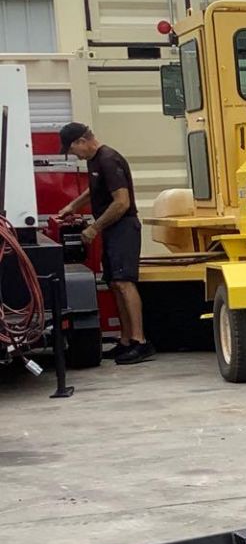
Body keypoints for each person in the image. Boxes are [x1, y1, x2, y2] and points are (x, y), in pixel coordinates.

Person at [54, 124, 153, 364]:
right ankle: (125, 340)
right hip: (111, 230)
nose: (75, 155)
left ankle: (141, 342)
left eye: (72, 149)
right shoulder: (94, 161)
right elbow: (93, 189)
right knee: (113, 283)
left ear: (81, 141)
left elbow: (121, 202)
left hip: (124, 228)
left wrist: (94, 228)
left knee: (124, 282)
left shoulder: (108, 159)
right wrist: (71, 207)